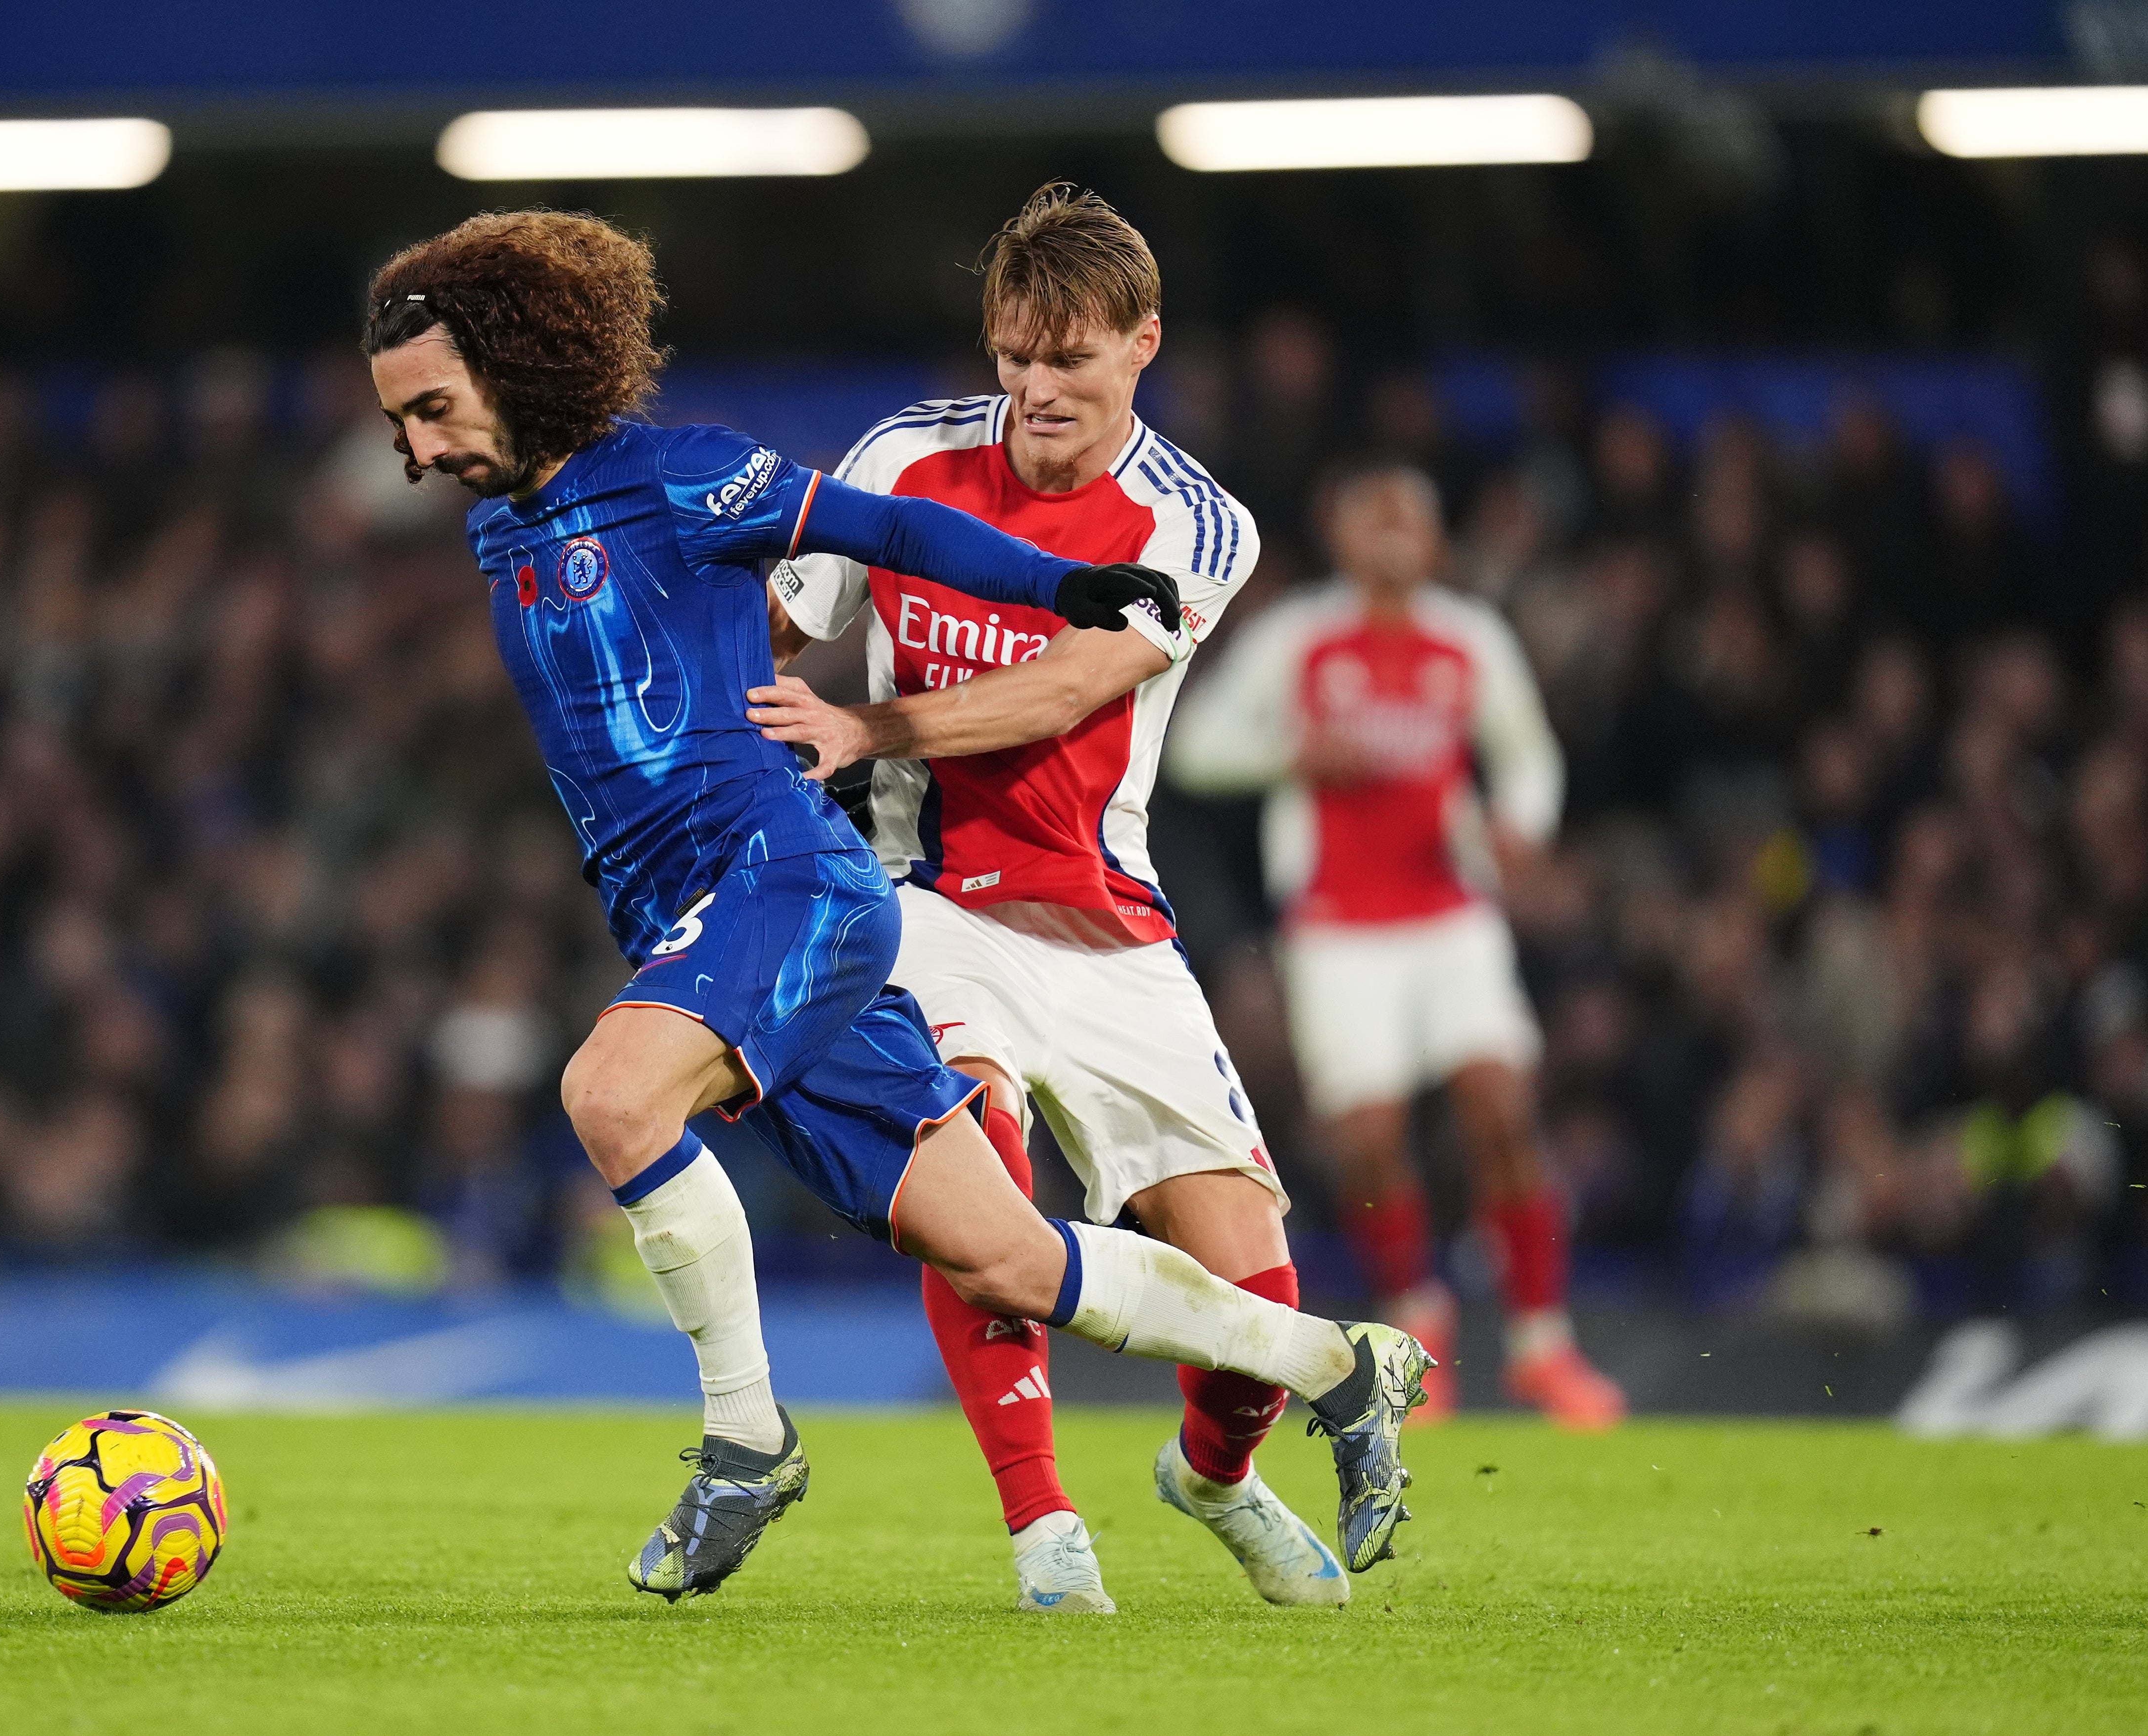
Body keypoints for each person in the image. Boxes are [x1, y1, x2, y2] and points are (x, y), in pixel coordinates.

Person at [362, 209, 1430, 1605]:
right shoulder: (511, 522)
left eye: (432, 410)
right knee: (999, 1244)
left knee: (614, 1094)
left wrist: (1030, 607)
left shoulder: (698, 476)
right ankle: (1326, 1373)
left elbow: (955, 588)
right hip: (844, 891)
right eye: (1010, 357)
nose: (416, 449)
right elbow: (762, 628)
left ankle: (756, 1444)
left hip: (913, 893)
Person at [747, 184, 1344, 1614]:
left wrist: (868, 727)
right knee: (982, 1184)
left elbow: (1071, 683)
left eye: (1067, 357)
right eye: (1014, 354)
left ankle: (1208, 1479)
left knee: (1256, 1296)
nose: (1033, 389)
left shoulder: (1199, 521)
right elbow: (779, 612)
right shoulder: (905, 455)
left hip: (1101, 916)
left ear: (1142, 343)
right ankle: (1043, 1529)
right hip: (922, 890)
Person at [1167, 458, 1626, 1430]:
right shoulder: (1298, 638)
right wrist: (1291, 755)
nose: (1388, 535)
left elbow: (1528, 755)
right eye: (1370, 517)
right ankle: (1422, 1326)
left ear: (1434, 540)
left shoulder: (1470, 639)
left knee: (1501, 1104)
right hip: (1336, 930)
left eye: (1405, 519)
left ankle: (1545, 1343)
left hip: (1451, 915)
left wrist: (1520, 824)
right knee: (1368, 1142)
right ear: (1341, 537)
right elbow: (1198, 743)